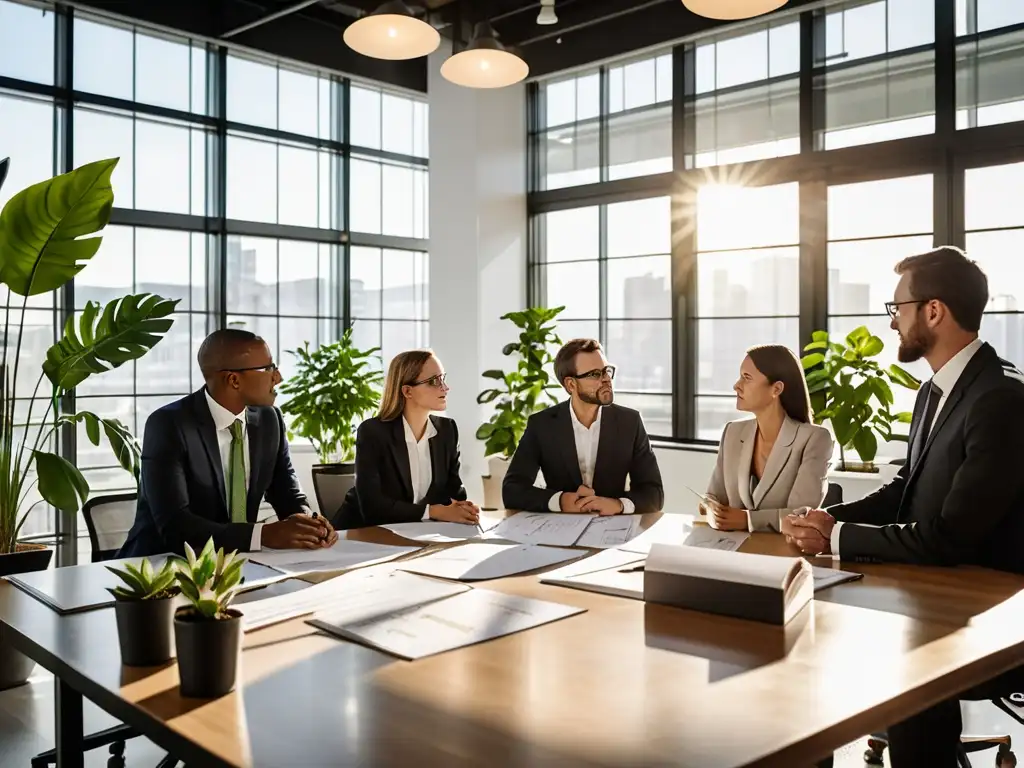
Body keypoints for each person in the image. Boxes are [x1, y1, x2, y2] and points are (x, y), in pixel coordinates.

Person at [781, 246, 1024, 766]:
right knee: (803, 641)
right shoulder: (934, 391)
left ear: (933, 311)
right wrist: (830, 519)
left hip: (990, 617)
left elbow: (948, 536)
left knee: (897, 669)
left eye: (898, 309)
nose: (892, 322)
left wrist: (836, 540)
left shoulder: (999, 397)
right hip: (932, 595)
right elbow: (903, 491)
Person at [119, 328, 337, 558]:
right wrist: (263, 535)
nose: (278, 377)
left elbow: (288, 495)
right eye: (268, 368)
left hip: (239, 563)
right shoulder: (169, 425)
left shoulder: (269, 420)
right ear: (233, 380)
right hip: (159, 567)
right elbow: (175, 526)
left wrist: (310, 523)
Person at [502, 338, 664, 515]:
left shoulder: (630, 422)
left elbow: (654, 494)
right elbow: (512, 490)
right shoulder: (542, 425)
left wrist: (618, 504)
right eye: (595, 374)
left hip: (613, 529)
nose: (606, 379)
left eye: (607, 371)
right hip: (559, 529)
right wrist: (561, 501)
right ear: (571, 384)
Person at [335, 350, 480, 528]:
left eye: (443, 378)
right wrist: (433, 512)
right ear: (407, 391)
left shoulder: (447, 431)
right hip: (360, 535)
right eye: (434, 381)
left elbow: (454, 493)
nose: (445, 387)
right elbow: (373, 508)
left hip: (415, 533)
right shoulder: (373, 432)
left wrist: (463, 508)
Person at [701, 344, 834, 532]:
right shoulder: (732, 432)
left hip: (783, 552)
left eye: (746, 378)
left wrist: (749, 520)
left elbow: (802, 515)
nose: (736, 385)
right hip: (732, 549)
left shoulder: (814, 439)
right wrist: (711, 510)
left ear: (776, 389)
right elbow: (713, 497)